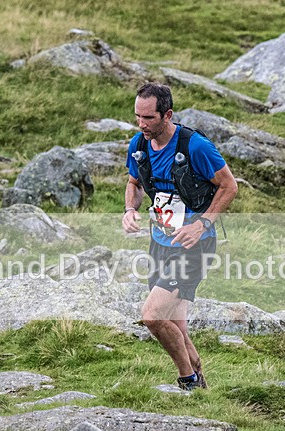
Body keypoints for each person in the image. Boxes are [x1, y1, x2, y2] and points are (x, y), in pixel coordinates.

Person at [122, 82, 238, 391]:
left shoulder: (195, 147)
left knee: (152, 316)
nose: (141, 124)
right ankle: (199, 382)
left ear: (167, 114)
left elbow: (230, 186)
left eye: (148, 118)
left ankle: (187, 381)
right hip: (160, 242)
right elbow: (133, 182)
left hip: (193, 245)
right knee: (177, 326)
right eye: (137, 117)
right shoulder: (139, 145)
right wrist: (129, 210)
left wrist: (201, 224)